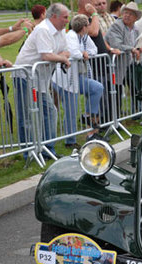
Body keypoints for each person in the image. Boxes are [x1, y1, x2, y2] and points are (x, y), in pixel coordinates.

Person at [14, 3, 71, 159]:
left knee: (50, 111)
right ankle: (28, 153)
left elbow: (66, 51)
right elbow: (46, 55)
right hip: (24, 76)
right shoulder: (43, 29)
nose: (67, 20)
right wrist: (61, 58)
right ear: (54, 16)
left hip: (41, 79)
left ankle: (47, 149)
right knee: (26, 116)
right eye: (65, 17)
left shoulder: (60, 32)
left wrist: (60, 56)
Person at [52, 14, 104, 146]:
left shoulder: (84, 37)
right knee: (71, 109)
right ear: (84, 27)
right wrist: (82, 54)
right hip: (64, 79)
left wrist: (85, 53)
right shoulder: (71, 36)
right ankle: (70, 141)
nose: (89, 27)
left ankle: (87, 115)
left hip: (77, 77)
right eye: (88, 24)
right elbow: (73, 52)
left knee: (97, 88)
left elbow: (94, 50)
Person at [105, 2, 142, 115]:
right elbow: (116, 44)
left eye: (130, 14)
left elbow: (137, 42)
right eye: (125, 12)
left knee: (136, 87)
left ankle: (138, 112)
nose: (127, 15)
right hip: (115, 66)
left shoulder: (136, 29)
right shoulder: (117, 26)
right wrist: (132, 49)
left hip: (129, 64)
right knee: (115, 92)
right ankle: (114, 118)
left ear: (136, 17)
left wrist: (140, 48)